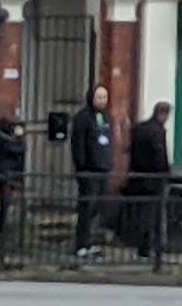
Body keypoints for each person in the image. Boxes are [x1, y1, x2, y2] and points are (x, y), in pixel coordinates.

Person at [70, 84, 113, 259]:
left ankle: (90, 242)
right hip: (89, 170)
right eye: (99, 97)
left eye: (105, 97)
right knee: (86, 208)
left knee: (95, 208)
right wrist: (82, 166)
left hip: (103, 168)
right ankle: (81, 244)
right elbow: (78, 145)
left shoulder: (105, 117)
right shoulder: (82, 118)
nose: (102, 101)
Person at [124, 101, 172, 259]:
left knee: (141, 214)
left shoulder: (139, 128)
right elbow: (160, 157)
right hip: (154, 180)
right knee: (154, 216)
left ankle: (141, 246)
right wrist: (166, 173)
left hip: (138, 177)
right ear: (163, 114)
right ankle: (152, 248)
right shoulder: (158, 131)